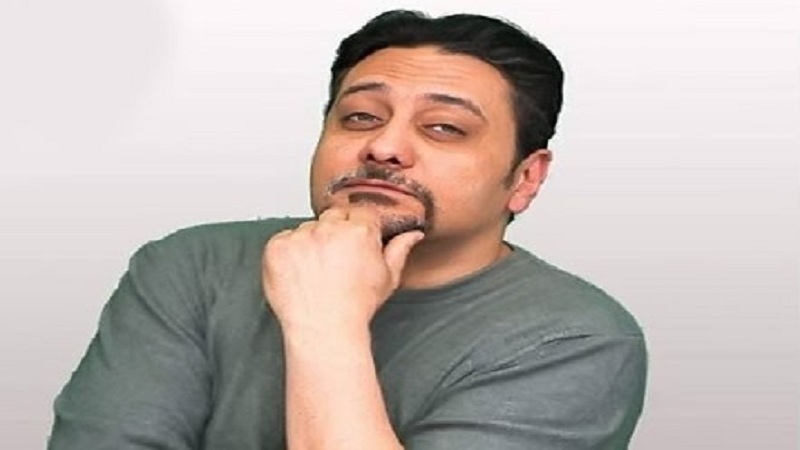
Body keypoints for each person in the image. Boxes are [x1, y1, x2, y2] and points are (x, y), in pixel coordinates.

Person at [49, 9, 647, 450]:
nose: (383, 147)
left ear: (525, 178)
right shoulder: (192, 266)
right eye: (360, 117)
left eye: (443, 128)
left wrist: (325, 322)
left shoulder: (573, 339)